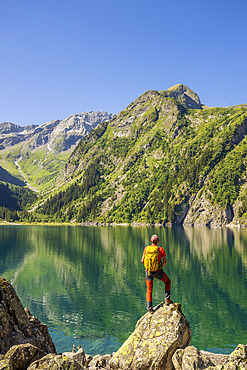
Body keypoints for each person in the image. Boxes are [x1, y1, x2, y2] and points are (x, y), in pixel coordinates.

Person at [141, 234, 173, 313]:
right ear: (158, 241)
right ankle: (167, 299)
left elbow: (142, 260)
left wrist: (148, 267)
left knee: (149, 290)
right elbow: (165, 262)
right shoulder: (160, 249)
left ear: (151, 241)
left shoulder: (146, 249)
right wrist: (159, 267)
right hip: (158, 272)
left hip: (148, 272)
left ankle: (149, 308)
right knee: (167, 282)